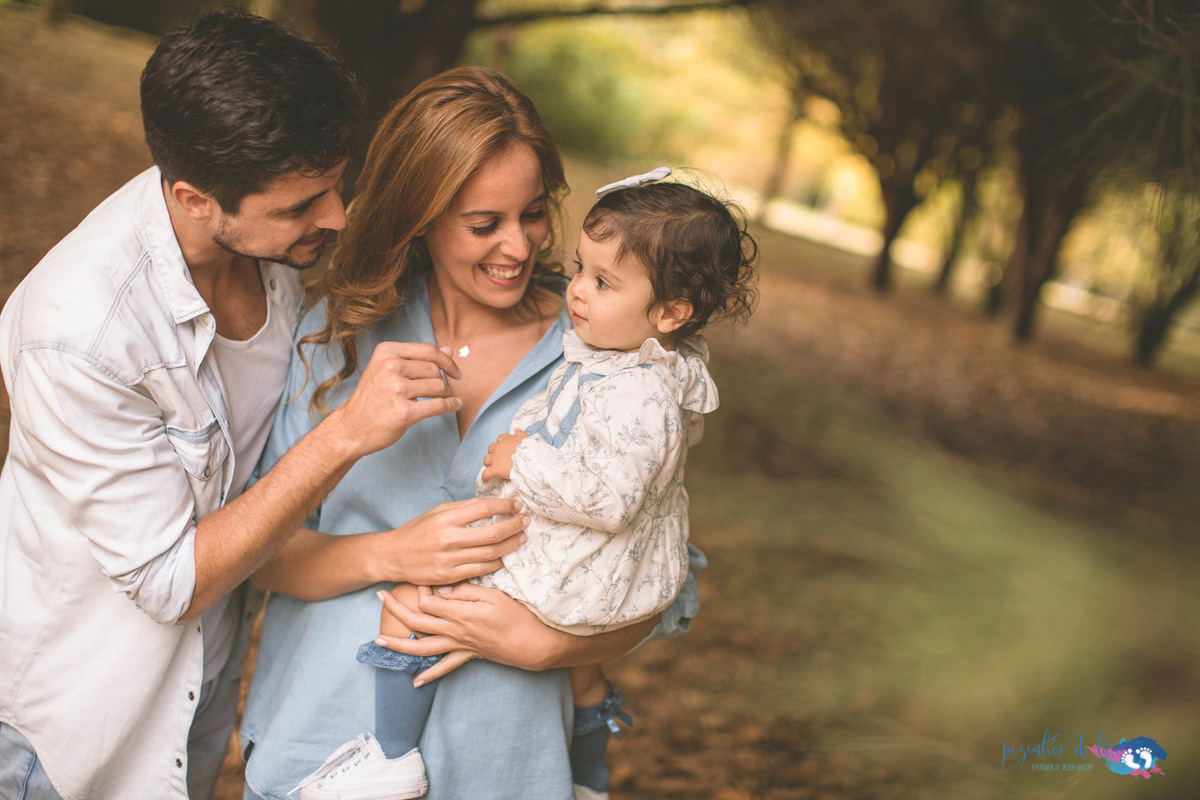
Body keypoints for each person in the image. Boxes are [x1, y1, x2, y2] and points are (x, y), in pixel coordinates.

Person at [0, 11, 484, 800]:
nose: (335, 216)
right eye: (301, 205)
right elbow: (168, 580)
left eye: (335, 185)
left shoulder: (270, 248)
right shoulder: (81, 334)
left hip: (197, 710)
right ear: (194, 198)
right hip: (70, 737)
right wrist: (346, 434)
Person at [239, 67, 708, 800]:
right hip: (323, 751)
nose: (518, 247)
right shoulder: (337, 338)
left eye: (533, 214)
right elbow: (260, 554)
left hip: (507, 764)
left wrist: (547, 644)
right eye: (484, 224)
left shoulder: (610, 361)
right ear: (420, 216)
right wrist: (388, 553)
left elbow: (659, 575)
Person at [292, 170, 758, 800]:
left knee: (411, 605)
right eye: (581, 269)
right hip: (592, 573)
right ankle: (588, 778)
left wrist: (521, 461)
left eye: (603, 282)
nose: (576, 290)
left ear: (671, 312)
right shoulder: (628, 361)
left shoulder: (636, 387)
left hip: (567, 587)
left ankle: (391, 756)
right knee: (583, 675)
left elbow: (621, 506)